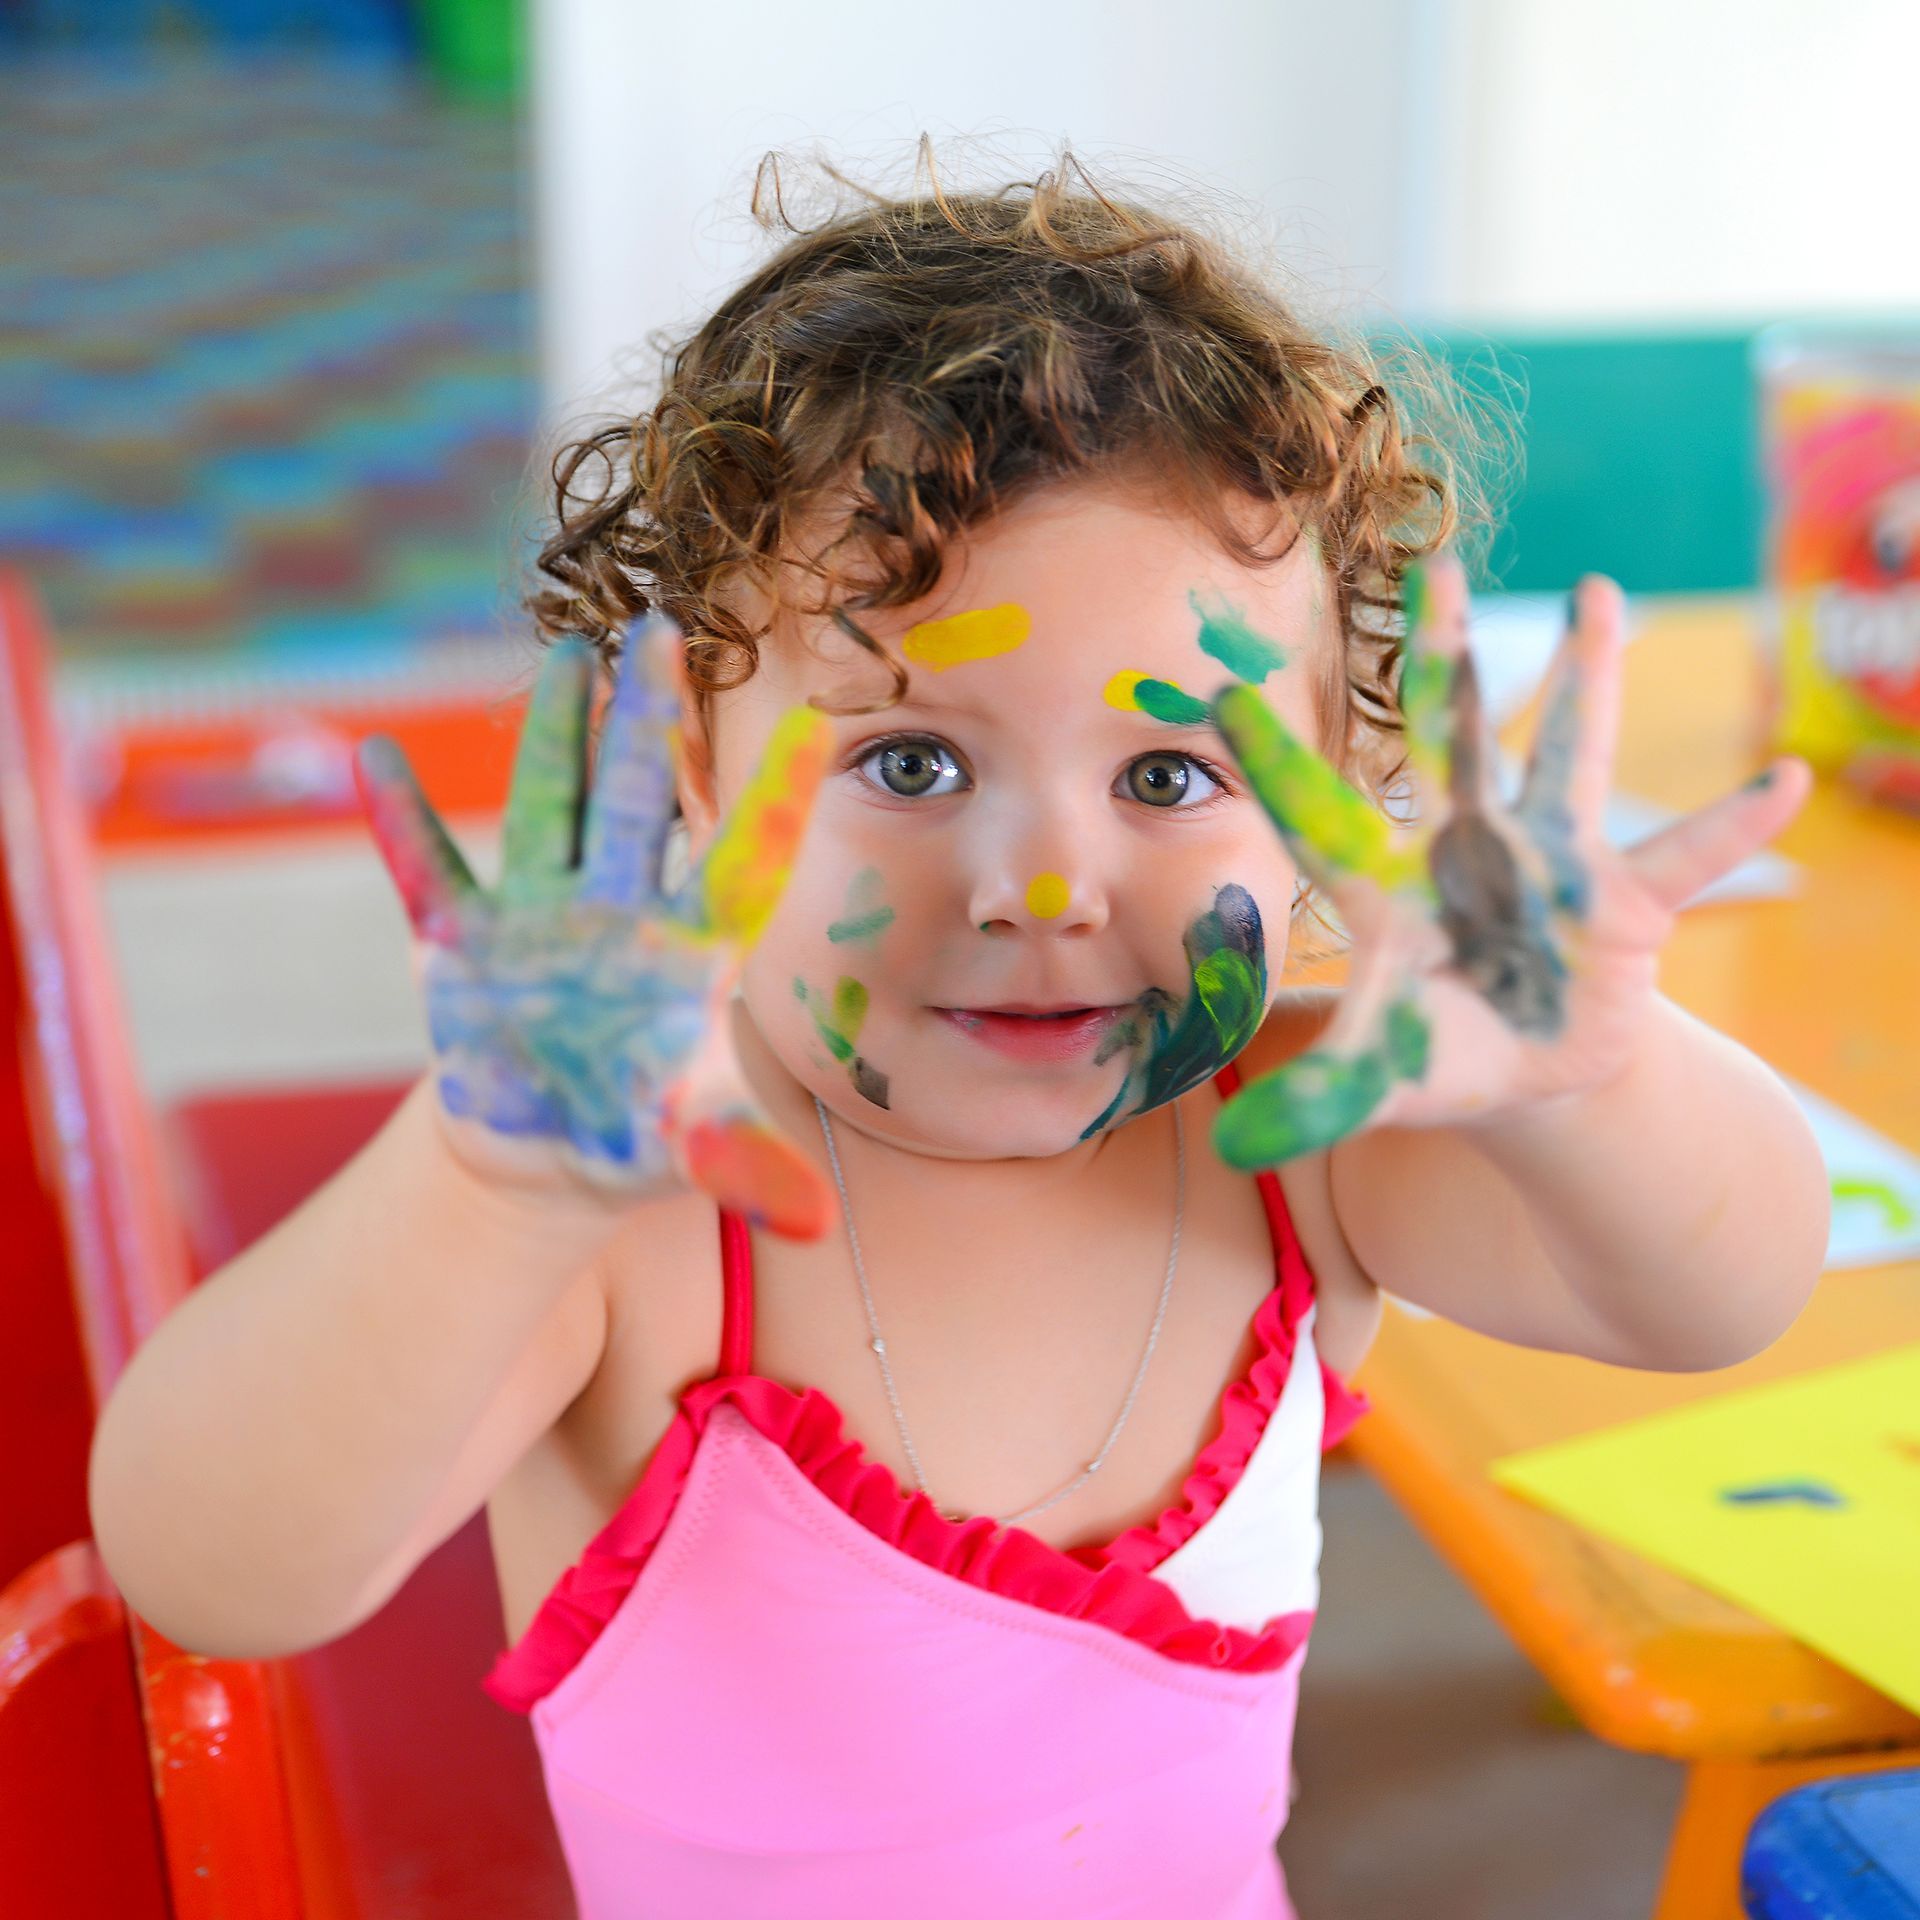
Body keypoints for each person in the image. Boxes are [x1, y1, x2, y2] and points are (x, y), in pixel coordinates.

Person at [88, 147, 1831, 1919]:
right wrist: (481, 1185)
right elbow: (208, 1571)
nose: (1044, 886)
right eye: (910, 762)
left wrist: (1594, 1078)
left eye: (1170, 774)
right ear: (696, 760)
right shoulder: (633, 1213)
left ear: (1331, 811)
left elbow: (1718, 1297)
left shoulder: (1304, 1142)